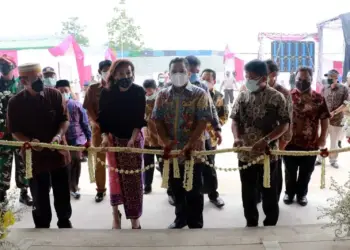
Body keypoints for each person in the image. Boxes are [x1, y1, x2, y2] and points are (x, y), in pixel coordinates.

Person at [7, 63, 72, 228]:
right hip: (33, 154)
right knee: (39, 192)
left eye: (40, 77)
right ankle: (42, 225)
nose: (40, 80)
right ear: (23, 81)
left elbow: (64, 120)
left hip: (57, 150)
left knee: (62, 189)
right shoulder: (15, 103)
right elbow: (15, 131)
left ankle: (64, 221)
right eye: (35, 78)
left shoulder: (56, 95)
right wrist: (28, 141)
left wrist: (58, 136)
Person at [153, 57, 212, 229]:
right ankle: (180, 219)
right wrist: (165, 141)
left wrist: (191, 142)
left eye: (181, 71)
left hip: (192, 151)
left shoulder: (199, 93)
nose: (178, 74)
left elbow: (203, 121)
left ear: (188, 72)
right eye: (174, 71)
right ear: (169, 73)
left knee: (193, 189)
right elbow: (157, 120)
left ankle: (195, 223)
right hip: (172, 152)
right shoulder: (162, 94)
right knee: (176, 188)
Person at [231, 59, 290, 227]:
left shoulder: (276, 97)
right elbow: (234, 120)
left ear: (264, 77)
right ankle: (251, 222)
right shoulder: (242, 95)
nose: (248, 80)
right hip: (245, 153)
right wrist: (236, 137)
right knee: (248, 192)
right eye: (246, 76)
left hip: (268, 155)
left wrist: (267, 140)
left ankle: (270, 224)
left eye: (252, 77)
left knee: (269, 191)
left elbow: (285, 124)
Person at [98, 59, 145, 230]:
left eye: (128, 73)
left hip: (134, 140)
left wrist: (132, 138)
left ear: (132, 74)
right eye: (121, 73)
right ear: (114, 75)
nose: (125, 76)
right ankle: (115, 213)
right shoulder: (107, 93)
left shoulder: (138, 91)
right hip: (113, 141)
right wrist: (104, 137)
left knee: (133, 180)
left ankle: (135, 218)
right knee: (115, 178)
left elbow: (139, 120)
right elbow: (102, 119)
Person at [283, 67, 330, 206]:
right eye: (299, 79)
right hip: (289, 143)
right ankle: (289, 193)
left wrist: (322, 137)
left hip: (311, 143)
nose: (302, 82)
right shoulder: (288, 97)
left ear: (311, 79)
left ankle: (302, 194)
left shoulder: (318, 98)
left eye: (305, 80)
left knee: (306, 172)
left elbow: (325, 119)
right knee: (290, 171)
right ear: (294, 79)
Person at [185, 55, 223, 207]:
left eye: (196, 70)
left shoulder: (202, 87)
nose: (193, 73)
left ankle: (213, 195)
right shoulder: (170, 88)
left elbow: (211, 108)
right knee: (182, 170)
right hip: (181, 137)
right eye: (191, 70)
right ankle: (181, 203)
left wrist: (217, 128)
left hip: (202, 136)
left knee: (208, 167)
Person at [0, 55, 32, 205]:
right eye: (1, 65)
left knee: (23, 162)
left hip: (20, 132)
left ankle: (24, 192)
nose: (3, 68)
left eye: (6, 65)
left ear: (13, 67)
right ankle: (2, 194)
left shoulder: (21, 85)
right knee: (2, 163)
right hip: (2, 134)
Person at [55, 79, 92, 199]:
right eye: (60, 91)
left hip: (76, 140)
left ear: (70, 91)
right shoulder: (54, 106)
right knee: (63, 164)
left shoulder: (76, 104)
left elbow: (85, 122)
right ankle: (66, 186)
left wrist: (89, 138)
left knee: (75, 162)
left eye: (65, 90)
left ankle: (74, 186)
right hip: (59, 140)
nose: (63, 93)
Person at [264, 60, 293, 202]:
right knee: (257, 169)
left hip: (276, 141)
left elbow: (288, 120)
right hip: (256, 140)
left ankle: (273, 199)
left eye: (264, 72)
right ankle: (258, 196)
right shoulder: (251, 89)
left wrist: (284, 141)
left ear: (273, 74)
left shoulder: (284, 93)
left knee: (274, 172)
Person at [83, 60, 112, 202]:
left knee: (118, 160)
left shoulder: (119, 87)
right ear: (99, 72)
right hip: (98, 130)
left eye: (110, 69)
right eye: (105, 69)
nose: (107, 72)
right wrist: (99, 124)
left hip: (116, 130)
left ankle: (119, 188)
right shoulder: (93, 88)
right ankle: (100, 190)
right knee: (100, 161)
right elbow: (88, 108)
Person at [201, 68, 229, 208]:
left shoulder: (219, 96)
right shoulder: (195, 93)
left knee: (210, 167)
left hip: (210, 138)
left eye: (208, 79)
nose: (205, 81)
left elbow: (224, 116)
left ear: (214, 81)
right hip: (194, 139)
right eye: (203, 78)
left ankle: (213, 195)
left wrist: (212, 128)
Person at [316, 69, 349, 168]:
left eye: (331, 77)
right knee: (322, 140)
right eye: (328, 77)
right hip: (325, 120)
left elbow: (346, 103)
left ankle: (333, 160)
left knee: (334, 142)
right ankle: (320, 159)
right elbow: (320, 102)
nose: (329, 79)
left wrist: (334, 112)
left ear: (336, 78)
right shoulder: (324, 88)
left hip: (337, 120)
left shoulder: (343, 89)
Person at [142, 79, 162, 194]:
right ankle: (147, 185)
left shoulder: (161, 100)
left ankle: (168, 187)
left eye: (150, 91)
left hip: (160, 138)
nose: (148, 93)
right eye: (147, 91)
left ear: (155, 89)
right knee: (147, 163)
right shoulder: (142, 101)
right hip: (146, 138)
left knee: (163, 164)